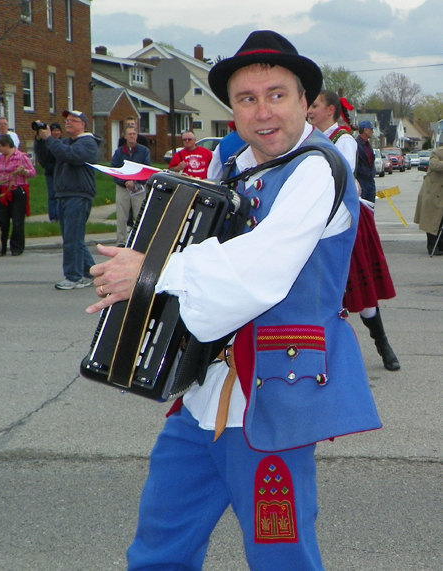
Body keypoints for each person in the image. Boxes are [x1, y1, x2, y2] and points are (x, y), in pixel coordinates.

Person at [86, 31, 381, 570]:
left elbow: (265, 267)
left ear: (304, 102)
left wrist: (153, 271)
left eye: (276, 94)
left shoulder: (317, 169)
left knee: (281, 557)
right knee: (159, 547)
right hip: (202, 393)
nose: (263, 111)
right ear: (232, 110)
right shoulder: (235, 166)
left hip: (272, 401)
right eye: (247, 99)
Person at [308, 90, 400, 371]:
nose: (309, 110)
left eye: (314, 105)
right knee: (322, 290)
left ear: (331, 110)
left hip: (346, 221)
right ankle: (323, 353)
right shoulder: (310, 138)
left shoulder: (343, 139)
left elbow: (341, 176)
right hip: (318, 221)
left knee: (360, 288)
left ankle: (382, 344)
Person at [34, 110, 101, 290]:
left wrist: (50, 139)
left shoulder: (88, 143)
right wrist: (40, 140)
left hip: (79, 194)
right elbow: (47, 158)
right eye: (67, 120)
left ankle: (73, 277)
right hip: (64, 194)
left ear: (83, 125)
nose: (68, 123)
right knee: (74, 237)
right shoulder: (65, 143)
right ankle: (91, 272)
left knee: (72, 237)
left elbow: (70, 155)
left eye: (73, 120)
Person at [0, 134, 36, 256]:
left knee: (17, 221)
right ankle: (0, 248)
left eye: (0, 146)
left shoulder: (21, 157)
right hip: (3, 192)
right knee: (1, 220)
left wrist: (23, 171)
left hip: (17, 191)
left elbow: (32, 172)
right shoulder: (0, 158)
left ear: (7, 145)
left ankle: (16, 248)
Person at [111, 125, 151, 246]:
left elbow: (147, 169)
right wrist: (125, 181)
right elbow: (114, 169)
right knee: (122, 216)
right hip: (123, 188)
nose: (132, 136)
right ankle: (121, 242)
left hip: (138, 188)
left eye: (134, 133)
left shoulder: (144, 151)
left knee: (140, 215)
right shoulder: (118, 153)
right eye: (129, 134)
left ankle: (139, 242)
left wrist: (136, 182)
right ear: (125, 136)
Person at [414, 144, 443, 256]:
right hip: (433, 193)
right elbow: (433, 164)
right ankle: (432, 246)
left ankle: (441, 245)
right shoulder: (437, 152)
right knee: (432, 221)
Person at [37, 122, 62, 222]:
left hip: (61, 173)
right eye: (54, 131)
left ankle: (60, 216)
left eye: (58, 130)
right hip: (50, 172)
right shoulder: (46, 143)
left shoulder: (63, 143)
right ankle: (53, 217)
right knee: (52, 195)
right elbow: (42, 156)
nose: (56, 133)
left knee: (60, 195)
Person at [355, 120, 377, 204]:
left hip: (370, 180)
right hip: (361, 180)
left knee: (370, 206)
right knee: (362, 207)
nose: (372, 131)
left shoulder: (368, 144)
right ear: (365, 130)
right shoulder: (356, 144)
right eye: (371, 129)